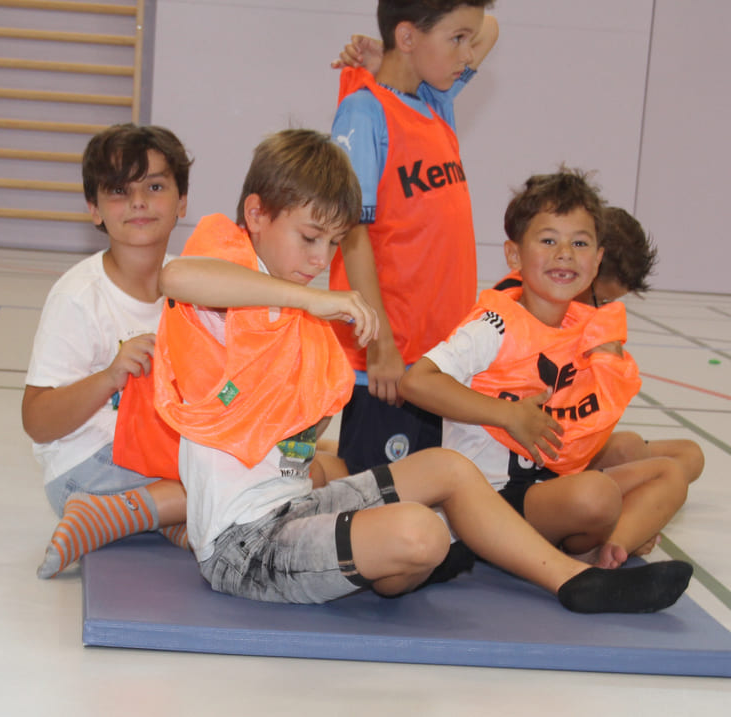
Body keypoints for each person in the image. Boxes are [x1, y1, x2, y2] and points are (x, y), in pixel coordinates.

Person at [151, 128, 692, 613]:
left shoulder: (294, 320)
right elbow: (177, 276)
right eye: (310, 237)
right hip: (243, 547)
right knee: (422, 534)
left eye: (333, 244)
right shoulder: (226, 295)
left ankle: (576, 582)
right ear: (255, 215)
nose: (320, 261)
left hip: (296, 508)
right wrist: (310, 300)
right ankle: (422, 553)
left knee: (449, 468)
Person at [399, 169, 690, 570]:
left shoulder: (584, 329)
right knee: (597, 495)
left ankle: (608, 552)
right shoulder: (494, 325)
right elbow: (416, 381)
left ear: (597, 259)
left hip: (546, 489)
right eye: (549, 240)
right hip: (486, 497)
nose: (565, 253)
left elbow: (586, 428)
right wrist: (507, 414)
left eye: (580, 243)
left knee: (671, 474)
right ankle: (584, 548)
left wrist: (606, 360)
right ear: (515, 255)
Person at [327, 1, 498, 475]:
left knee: (433, 496)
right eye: (456, 40)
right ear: (407, 37)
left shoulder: (434, 102)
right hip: (388, 365)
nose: (467, 54)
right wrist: (379, 344)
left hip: (438, 364)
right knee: (375, 505)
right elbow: (352, 235)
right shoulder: (364, 110)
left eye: (468, 40)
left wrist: (391, 53)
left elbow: (493, 28)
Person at [22, 123, 192, 579]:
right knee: (238, 485)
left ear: (182, 202)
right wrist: (109, 377)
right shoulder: (79, 296)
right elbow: (37, 421)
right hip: (87, 471)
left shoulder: (195, 286)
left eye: (155, 186)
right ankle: (141, 512)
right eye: (120, 190)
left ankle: (167, 518)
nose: (138, 202)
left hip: (157, 461)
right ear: (94, 209)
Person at [494, 206, 706, 488]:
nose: (601, 311)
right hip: (520, 458)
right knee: (635, 455)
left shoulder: (575, 317)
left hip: (559, 447)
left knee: (690, 455)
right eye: (601, 301)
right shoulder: (518, 308)